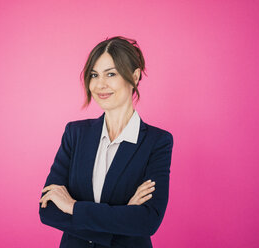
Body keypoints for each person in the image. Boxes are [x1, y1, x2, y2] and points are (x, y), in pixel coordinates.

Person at [39, 36, 174, 248]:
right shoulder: (75, 133)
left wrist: (73, 206)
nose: (100, 84)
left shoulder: (157, 142)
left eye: (111, 74)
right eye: (94, 75)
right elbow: (48, 210)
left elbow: (147, 221)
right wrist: (123, 216)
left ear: (135, 76)